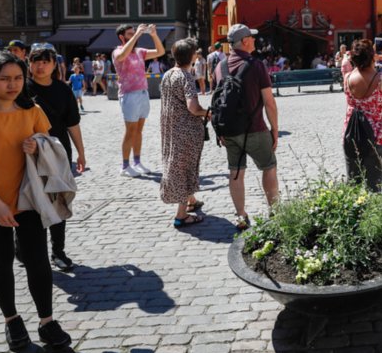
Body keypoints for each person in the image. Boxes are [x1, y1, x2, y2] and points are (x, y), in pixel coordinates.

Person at [0, 50, 73, 351]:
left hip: (29, 200)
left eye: (18, 78)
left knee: (38, 261)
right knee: (1, 262)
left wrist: (37, 146)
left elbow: (50, 147)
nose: (13, 85)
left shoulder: (32, 110)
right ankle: (12, 320)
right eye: (5, 79)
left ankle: (47, 321)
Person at [24, 43, 87, 272]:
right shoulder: (22, 89)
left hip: (58, 154)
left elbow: (73, 124)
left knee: (59, 200)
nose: (40, 66)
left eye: (45, 62)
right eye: (36, 61)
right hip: (28, 154)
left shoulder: (63, 89)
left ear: (54, 65)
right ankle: (26, 248)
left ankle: (58, 252)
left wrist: (81, 153)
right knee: (30, 202)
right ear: (29, 64)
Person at [215, 24, 279, 230]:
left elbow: (217, 100)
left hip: (230, 131)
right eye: (251, 37)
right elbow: (269, 102)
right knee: (269, 167)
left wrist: (220, 130)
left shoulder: (220, 66)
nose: (254, 40)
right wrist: (274, 129)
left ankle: (241, 216)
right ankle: (275, 212)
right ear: (244, 41)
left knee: (236, 173)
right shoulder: (256, 65)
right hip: (256, 129)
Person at [160, 38, 210, 228]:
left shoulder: (168, 74)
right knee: (185, 167)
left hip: (170, 129)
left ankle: (191, 200)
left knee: (178, 163)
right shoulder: (186, 76)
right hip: (186, 130)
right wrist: (208, 113)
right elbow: (193, 107)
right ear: (192, 56)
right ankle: (182, 215)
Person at [342, 39, 382, 191]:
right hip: (379, 137)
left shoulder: (347, 78)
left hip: (353, 134)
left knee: (353, 183)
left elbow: (346, 66)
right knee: (374, 186)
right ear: (372, 56)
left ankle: (353, 206)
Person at [113, 23, 166, 177]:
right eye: (129, 34)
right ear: (122, 37)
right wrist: (137, 35)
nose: (133, 35)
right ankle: (125, 166)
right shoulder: (117, 51)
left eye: (133, 33)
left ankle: (137, 162)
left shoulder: (139, 51)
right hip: (129, 94)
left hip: (142, 93)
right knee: (130, 131)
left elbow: (160, 51)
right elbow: (122, 56)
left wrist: (154, 35)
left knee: (138, 131)